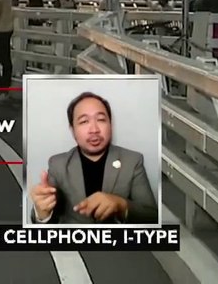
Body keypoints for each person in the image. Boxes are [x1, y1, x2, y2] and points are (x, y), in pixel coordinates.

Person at [29, 92, 159, 225]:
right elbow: (46, 225)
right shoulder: (58, 164)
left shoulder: (132, 161)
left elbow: (152, 216)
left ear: (111, 125)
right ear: (73, 130)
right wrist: (42, 213)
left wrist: (121, 205)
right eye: (84, 121)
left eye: (101, 120)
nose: (94, 129)